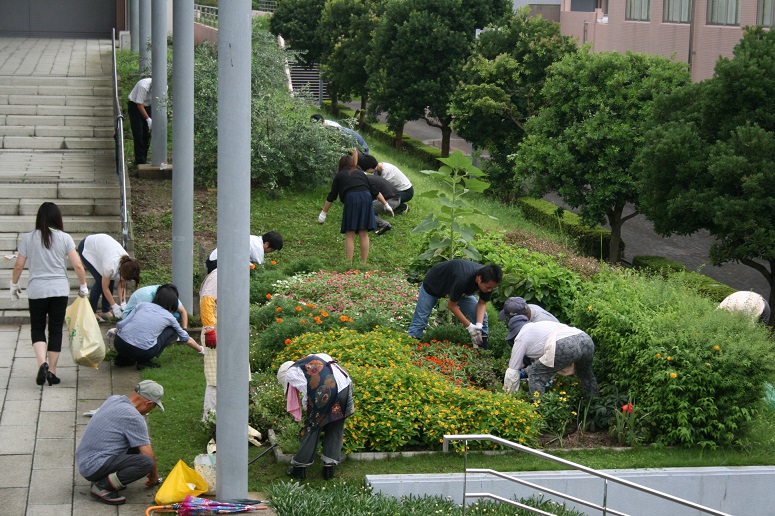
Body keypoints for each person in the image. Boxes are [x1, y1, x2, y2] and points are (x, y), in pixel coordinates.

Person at [10, 202, 89, 386]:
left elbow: (19, 265)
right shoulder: (65, 238)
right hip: (59, 290)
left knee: (37, 327)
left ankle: (42, 363)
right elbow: (77, 265)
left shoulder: (28, 238)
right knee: (55, 329)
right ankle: (52, 371)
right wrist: (83, 285)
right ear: (57, 218)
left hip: (37, 290)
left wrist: (14, 284)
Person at [76, 380, 164, 505]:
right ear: (148, 403)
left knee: (135, 445)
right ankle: (102, 487)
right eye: (154, 406)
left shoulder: (114, 399)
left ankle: (107, 478)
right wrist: (154, 475)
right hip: (93, 466)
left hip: (85, 460)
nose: (152, 409)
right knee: (146, 463)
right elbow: (149, 455)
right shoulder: (133, 417)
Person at [277, 353, 354, 480]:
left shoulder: (292, 372)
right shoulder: (314, 358)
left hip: (327, 389)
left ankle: (299, 468)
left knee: (312, 428)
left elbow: (308, 394)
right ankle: (329, 469)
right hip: (345, 387)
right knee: (335, 424)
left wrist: (310, 414)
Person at [407, 259, 503, 348]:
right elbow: (451, 305)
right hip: (434, 284)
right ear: (479, 279)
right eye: (488, 287)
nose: (489, 290)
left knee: (483, 317)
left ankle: (482, 349)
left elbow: (482, 303)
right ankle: (409, 346)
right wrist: (469, 326)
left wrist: (478, 325)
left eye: (492, 288)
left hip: (459, 290)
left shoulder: (489, 281)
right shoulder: (463, 278)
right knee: (421, 320)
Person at [318, 153, 394, 263]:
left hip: (351, 199)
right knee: (364, 233)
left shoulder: (339, 175)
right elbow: (375, 190)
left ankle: (348, 263)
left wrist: (323, 213)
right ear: (352, 164)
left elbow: (332, 195)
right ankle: (364, 263)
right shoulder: (361, 173)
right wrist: (386, 205)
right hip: (366, 198)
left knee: (350, 233)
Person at [112, 284, 204, 370]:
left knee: (130, 340)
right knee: (171, 330)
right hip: (142, 351)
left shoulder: (141, 305)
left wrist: (113, 332)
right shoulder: (170, 318)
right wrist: (201, 349)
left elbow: (121, 324)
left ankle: (122, 358)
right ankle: (144, 361)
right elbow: (185, 338)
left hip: (119, 344)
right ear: (173, 303)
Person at [503, 320, 600, 399]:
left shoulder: (520, 338)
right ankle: (594, 405)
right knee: (586, 374)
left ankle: (540, 410)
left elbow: (512, 371)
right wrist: (525, 372)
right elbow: (543, 364)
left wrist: (509, 396)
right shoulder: (539, 327)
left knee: (535, 374)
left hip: (565, 345)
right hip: (585, 339)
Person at [77, 233, 140, 321]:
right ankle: (91, 312)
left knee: (110, 278)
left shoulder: (128, 264)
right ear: (121, 271)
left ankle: (105, 311)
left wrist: (123, 303)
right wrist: (114, 306)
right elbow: (105, 287)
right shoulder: (110, 266)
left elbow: (122, 285)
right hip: (87, 247)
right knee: (100, 281)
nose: (125, 281)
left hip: (103, 248)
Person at [204, 231, 283, 274]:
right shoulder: (257, 247)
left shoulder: (254, 239)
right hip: (216, 265)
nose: (270, 252)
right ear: (266, 244)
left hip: (213, 261)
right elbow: (259, 270)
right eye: (272, 250)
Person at [120, 284, 189, 327]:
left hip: (151, 314)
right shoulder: (146, 296)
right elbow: (142, 316)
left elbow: (183, 311)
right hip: (132, 314)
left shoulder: (169, 293)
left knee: (177, 315)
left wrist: (184, 330)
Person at [200, 268, 218, 418]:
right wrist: (209, 329)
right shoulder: (218, 276)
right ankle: (210, 418)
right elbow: (207, 300)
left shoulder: (233, 274)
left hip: (231, 333)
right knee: (215, 377)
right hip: (216, 331)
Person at [127, 77, 153, 165]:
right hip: (135, 106)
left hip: (148, 106)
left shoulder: (164, 86)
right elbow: (139, 104)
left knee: (147, 134)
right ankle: (140, 161)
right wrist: (148, 118)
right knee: (139, 133)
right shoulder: (144, 85)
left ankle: (144, 158)